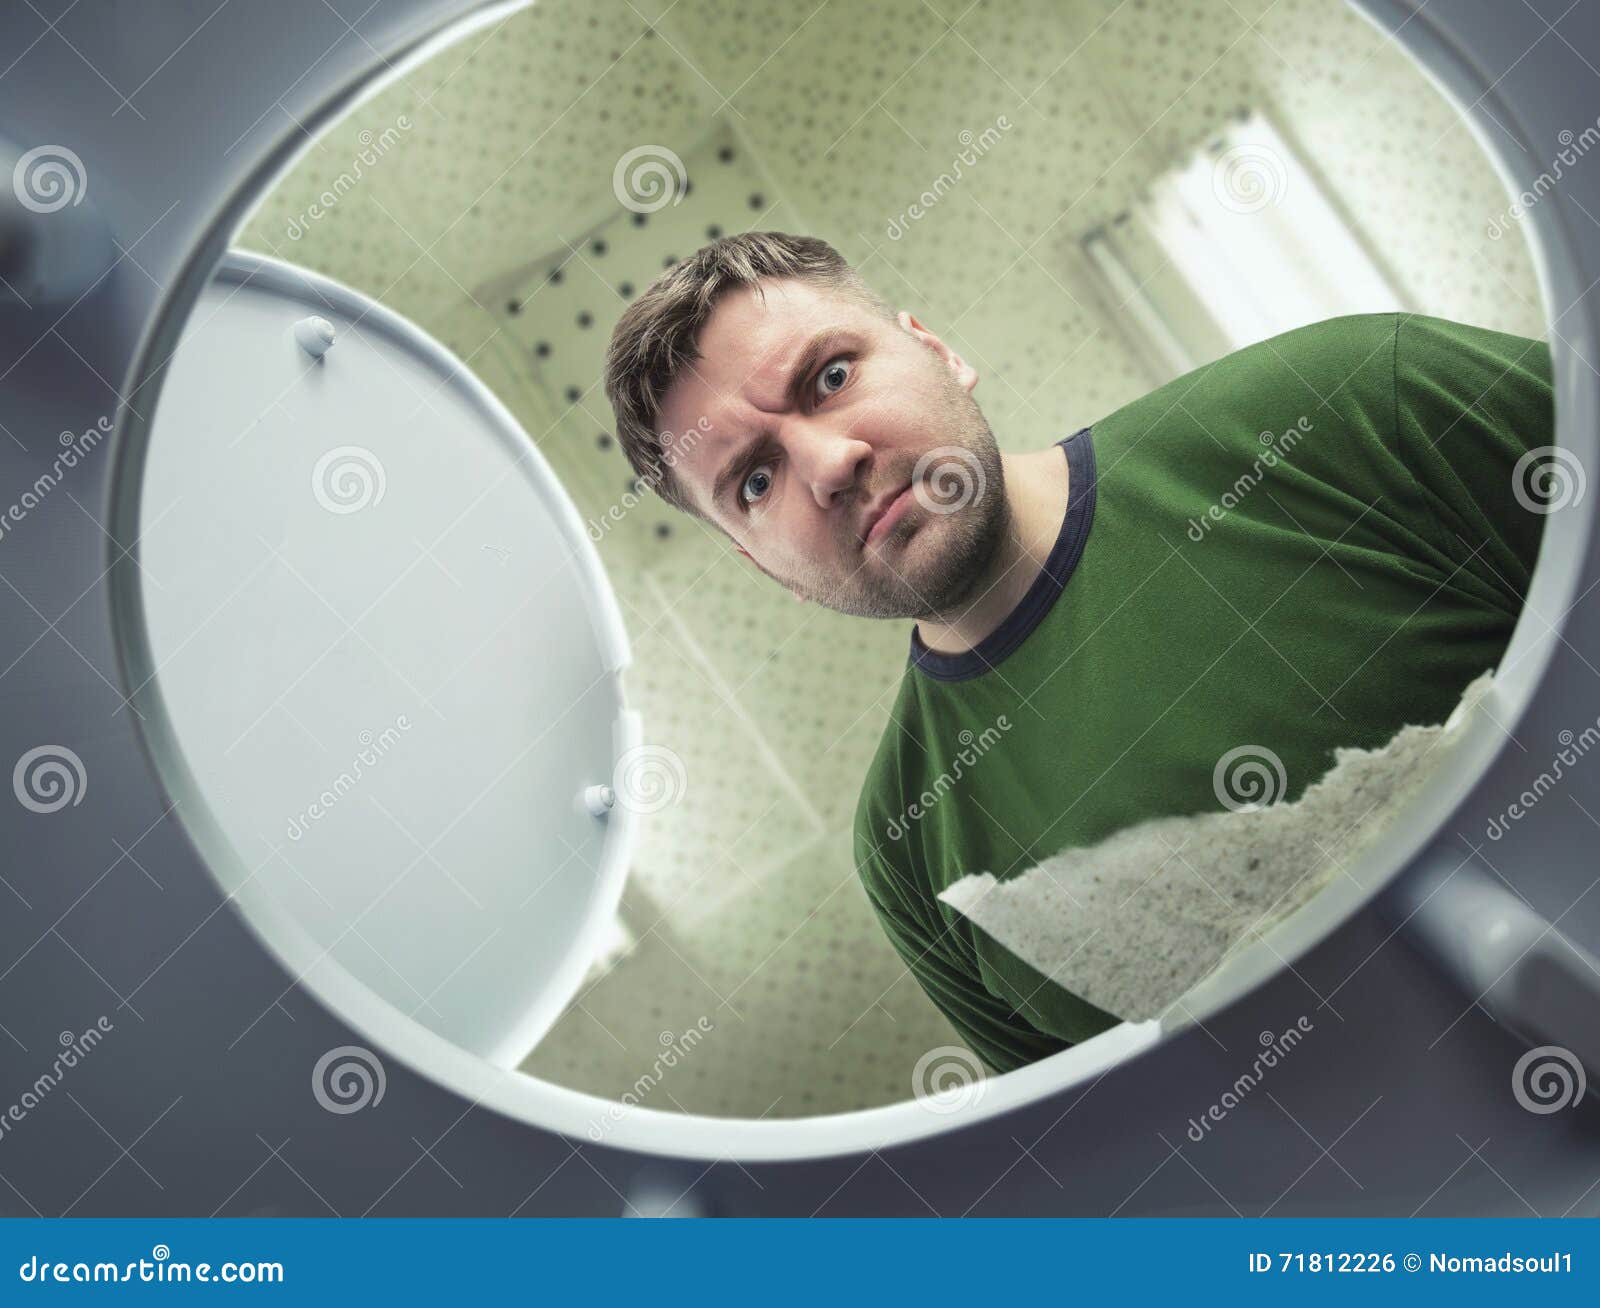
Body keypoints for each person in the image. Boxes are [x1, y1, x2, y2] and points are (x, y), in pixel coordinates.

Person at [602, 231, 1554, 1073]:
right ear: (755, 558)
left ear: (936, 348)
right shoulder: (910, 852)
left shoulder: (1354, 399)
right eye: (755, 480)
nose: (830, 463)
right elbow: (1154, 1185)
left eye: (831, 377)